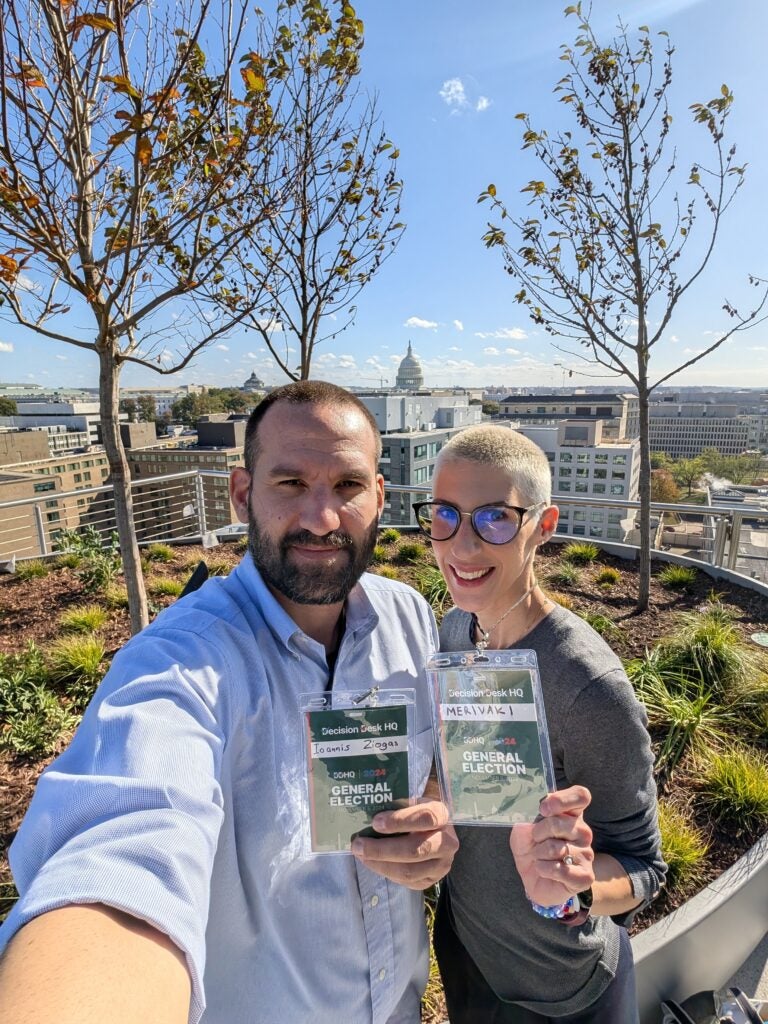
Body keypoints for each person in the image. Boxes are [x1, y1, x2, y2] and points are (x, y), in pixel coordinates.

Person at [0, 381, 458, 1024]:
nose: (322, 518)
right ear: (243, 493)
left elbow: (433, 760)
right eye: (291, 484)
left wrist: (433, 811)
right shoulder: (180, 664)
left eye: (348, 487)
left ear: (380, 496)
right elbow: (123, 855)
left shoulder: (408, 616)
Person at [413, 424, 666, 1024]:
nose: (462, 546)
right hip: (467, 948)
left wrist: (570, 891)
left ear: (543, 528)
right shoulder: (455, 632)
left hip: (561, 991)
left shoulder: (588, 687)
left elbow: (645, 868)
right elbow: (464, 774)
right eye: (445, 515)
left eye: (495, 518)